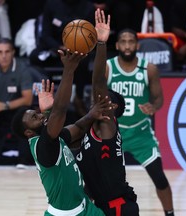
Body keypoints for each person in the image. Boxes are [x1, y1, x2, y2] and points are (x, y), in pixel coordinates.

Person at [11, 48, 110, 215]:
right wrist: (69, 70)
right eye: (35, 117)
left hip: (85, 206)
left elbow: (78, 129)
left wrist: (92, 114)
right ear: (28, 133)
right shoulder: (44, 147)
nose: (40, 116)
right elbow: (61, 111)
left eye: (38, 113)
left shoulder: (53, 138)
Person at [75, 9, 139, 216]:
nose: (99, 98)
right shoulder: (91, 128)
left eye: (104, 98)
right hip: (103, 206)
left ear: (112, 109)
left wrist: (101, 44)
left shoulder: (106, 125)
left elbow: (99, 83)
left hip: (118, 208)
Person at [106, 28, 175, 216]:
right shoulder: (108, 67)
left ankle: (170, 213)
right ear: (117, 45)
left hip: (141, 133)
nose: (127, 45)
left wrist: (153, 106)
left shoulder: (149, 69)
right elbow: (96, 98)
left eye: (131, 42)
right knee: (99, 181)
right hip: (113, 134)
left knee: (160, 179)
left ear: (137, 45)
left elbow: (158, 98)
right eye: (123, 41)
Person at [29, 0, 96, 117]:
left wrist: (75, 46)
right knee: (34, 57)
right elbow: (45, 35)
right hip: (55, 48)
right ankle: (41, 97)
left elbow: (91, 37)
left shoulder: (88, 7)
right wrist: (59, 47)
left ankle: (78, 98)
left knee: (84, 60)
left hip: (78, 49)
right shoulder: (51, 4)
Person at [0, 37, 33, 166]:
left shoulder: (23, 69)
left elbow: (28, 99)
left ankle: (23, 160)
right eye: (0, 52)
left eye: (7, 51)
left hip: (15, 109)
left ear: (13, 52)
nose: (4, 56)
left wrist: (4, 105)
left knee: (25, 116)